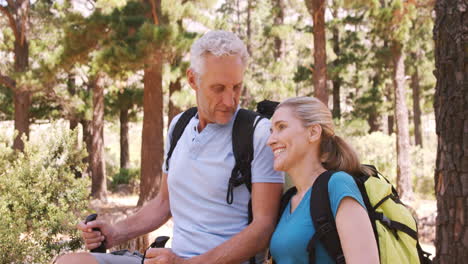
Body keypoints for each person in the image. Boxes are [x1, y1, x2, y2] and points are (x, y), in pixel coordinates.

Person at [57, 30, 284, 264]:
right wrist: (115, 233)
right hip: (171, 260)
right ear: (193, 79)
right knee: (70, 262)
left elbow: (263, 228)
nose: (230, 100)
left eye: (236, 87)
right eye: (218, 88)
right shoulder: (180, 126)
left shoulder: (258, 133)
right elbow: (164, 203)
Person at [267, 97, 379, 264]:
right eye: (271, 131)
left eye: (281, 127)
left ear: (313, 132)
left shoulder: (337, 185)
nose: (270, 140)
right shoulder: (288, 200)